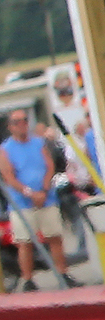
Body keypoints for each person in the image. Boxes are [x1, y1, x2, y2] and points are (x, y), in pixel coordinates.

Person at [2, 109, 68, 290]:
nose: (22, 124)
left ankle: (62, 273)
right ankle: (28, 279)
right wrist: (30, 193)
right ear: (10, 127)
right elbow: (9, 176)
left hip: (47, 198)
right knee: (25, 242)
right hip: (22, 202)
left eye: (25, 120)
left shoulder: (39, 143)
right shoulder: (6, 149)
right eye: (17, 122)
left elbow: (49, 165)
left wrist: (44, 190)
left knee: (54, 236)